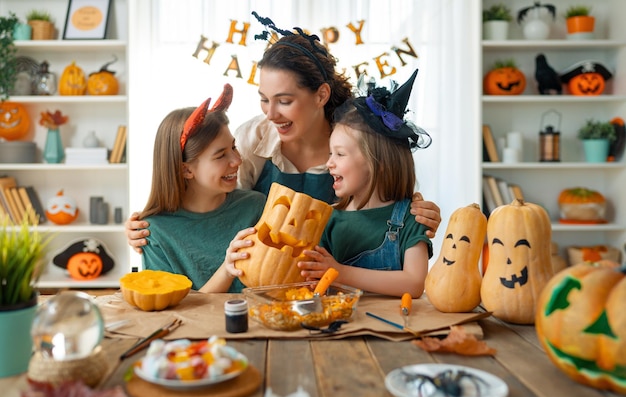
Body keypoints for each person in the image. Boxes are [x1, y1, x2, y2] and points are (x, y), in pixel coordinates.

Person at [125, 13, 441, 252]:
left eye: (284, 101)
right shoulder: (251, 139)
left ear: (321, 95)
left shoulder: (357, 139)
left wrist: (418, 215)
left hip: (342, 275)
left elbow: (389, 210)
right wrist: (153, 225)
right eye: (264, 99)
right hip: (266, 282)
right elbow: (212, 207)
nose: (271, 114)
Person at [296, 70, 433, 298]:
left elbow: (414, 283)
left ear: (376, 163)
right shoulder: (328, 220)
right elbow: (315, 285)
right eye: (330, 153)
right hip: (340, 328)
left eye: (340, 154)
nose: (329, 163)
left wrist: (340, 272)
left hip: (396, 328)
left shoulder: (411, 217)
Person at [138, 84, 265, 293]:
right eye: (220, 155)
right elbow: (175, 312)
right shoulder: (154, 232)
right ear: (186, 170)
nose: (237, 160)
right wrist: (227, 269)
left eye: (233, 147)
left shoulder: (256, 206)